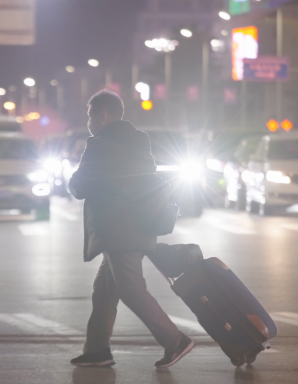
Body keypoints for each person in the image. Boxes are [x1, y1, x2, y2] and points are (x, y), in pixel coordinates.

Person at [68, 90, 194, 368]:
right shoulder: (138, 141)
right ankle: (97, 350)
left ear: (102, 116)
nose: (88, 121)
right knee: (104, 291)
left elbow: (80, 186)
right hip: (138, 223)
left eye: (90, 116)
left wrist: (74, 178)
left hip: (118, 230)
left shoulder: (100, 144)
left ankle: (175, 341)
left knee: (131, 288)